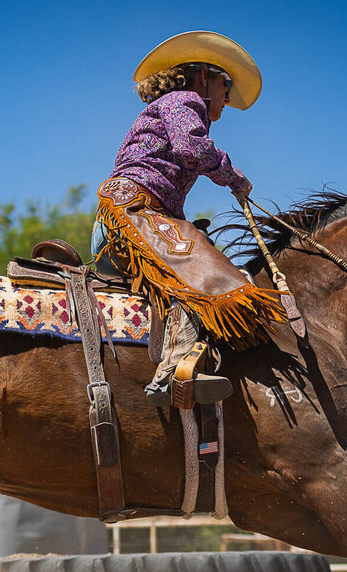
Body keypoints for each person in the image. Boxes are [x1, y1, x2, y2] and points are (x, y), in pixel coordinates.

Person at [92, 31, 287, 407]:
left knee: (203, 263)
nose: (226, 97)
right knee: (208, 279)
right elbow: (191, 147)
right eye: (225, 85)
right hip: (134, 211)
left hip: (139, 214)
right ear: (203, 76)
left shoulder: (172, 105)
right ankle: (176, 371)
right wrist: (232, 175)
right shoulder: (184, 100)